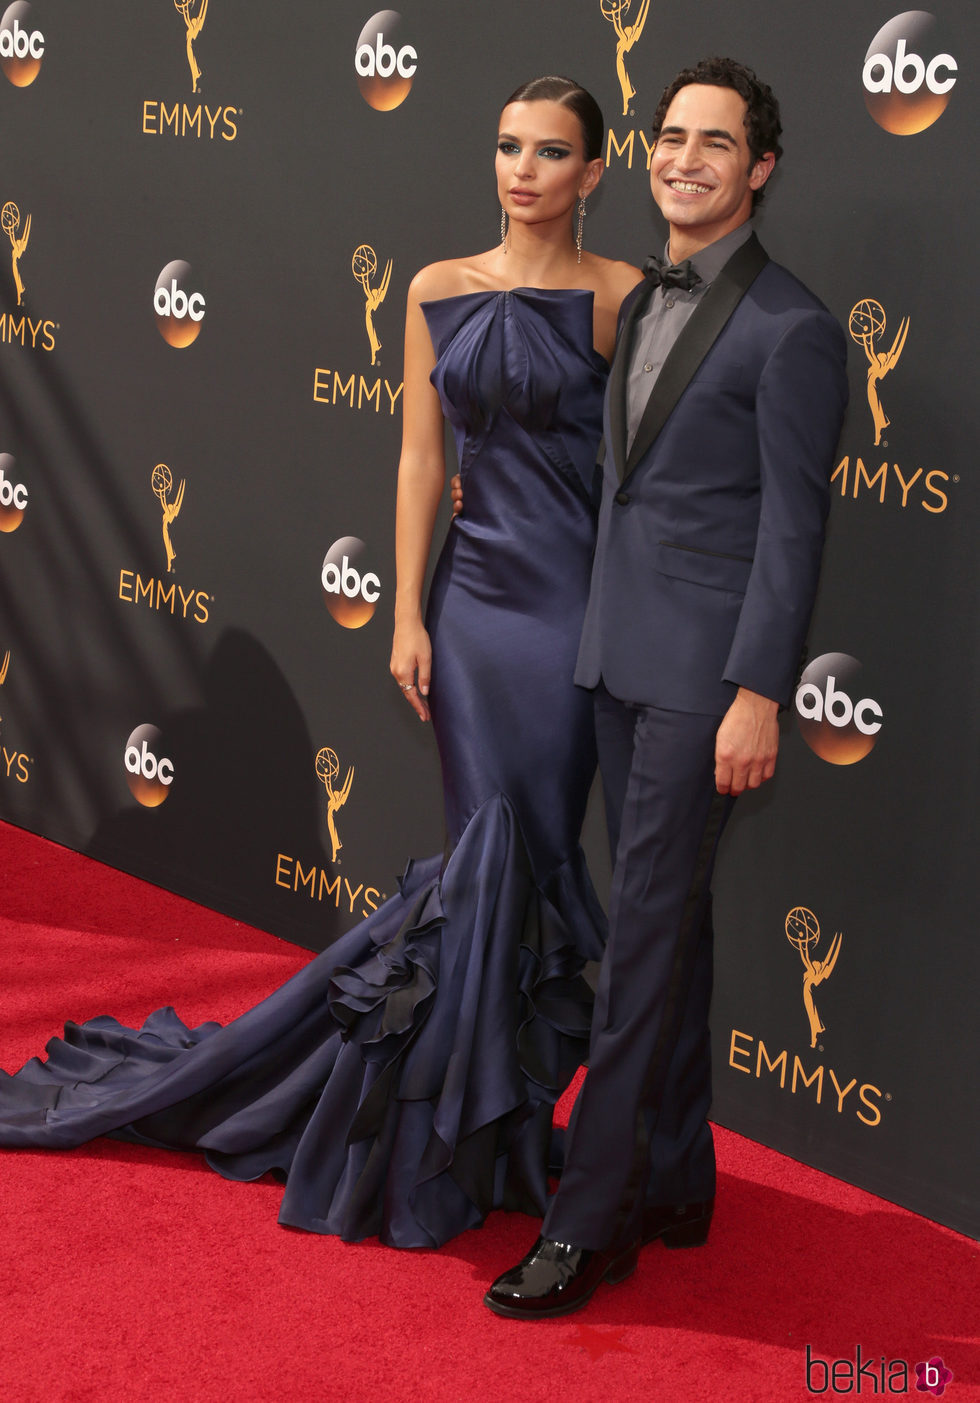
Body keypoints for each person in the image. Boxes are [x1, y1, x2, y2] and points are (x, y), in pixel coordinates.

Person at [0, 79, 640, 1251]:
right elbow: (415, 459)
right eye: (505, 145)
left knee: (530, 862)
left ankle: (475, 1124)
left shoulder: (620, 299)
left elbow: (640, 481)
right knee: (481, 857)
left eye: (550, 153)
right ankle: (444, 1131)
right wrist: (406, 611)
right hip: (474, 605)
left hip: (570, 618)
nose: (521, 170)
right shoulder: (436, 288)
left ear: (595, 172)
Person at [484, 57, 849, 1318]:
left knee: (638, 939)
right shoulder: (642, 303)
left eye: (716, 140)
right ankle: (677, 1176)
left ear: (759, 168)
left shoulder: (793, 329)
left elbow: (791, 532)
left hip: (704, 686)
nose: (685, 156)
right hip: (614, 659)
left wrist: (758, 690)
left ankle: (588, 1221)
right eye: (669, 134)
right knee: (668, 929)